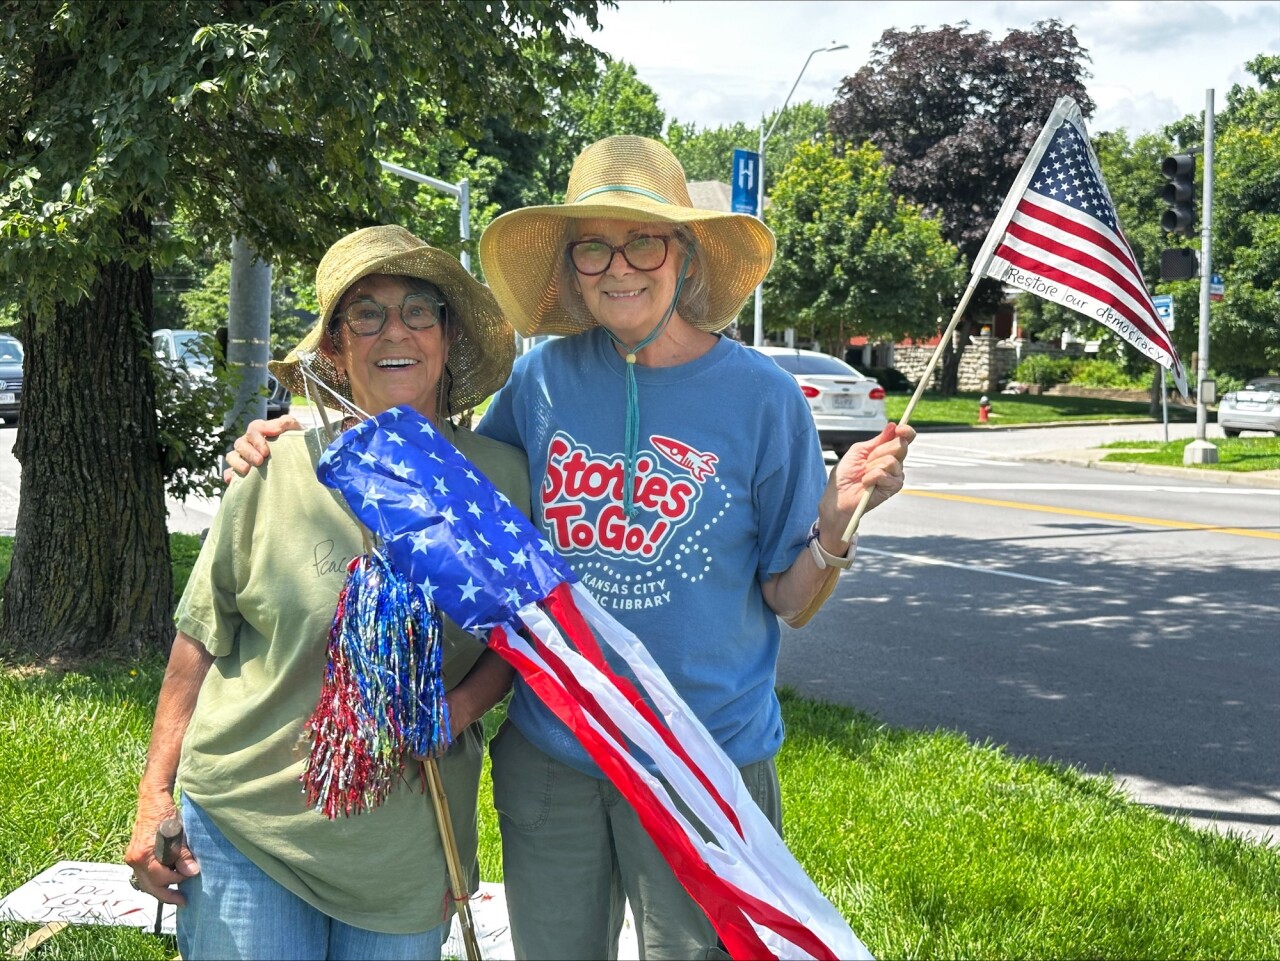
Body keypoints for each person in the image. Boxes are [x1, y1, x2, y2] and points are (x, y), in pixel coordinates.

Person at [227, 136, 914, 961]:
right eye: (594, 245)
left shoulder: (763, 398)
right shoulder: (542, 380)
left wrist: (834, 526)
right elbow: (450, 477)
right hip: (554, 752)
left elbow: (789, 599)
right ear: (572, 266)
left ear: (684, 253)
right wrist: (302, 430)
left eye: (644, 241)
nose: (619, 266)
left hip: (700, 758)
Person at [125, 225, 529, 961]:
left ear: (447, 336)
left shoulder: (497, 481)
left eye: (418, 309)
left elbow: (519, 634)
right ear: (337, 348)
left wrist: (455, 711)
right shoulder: (276, 464)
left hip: (404, 843)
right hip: (247, 831)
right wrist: (155, 795)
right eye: (365, 313)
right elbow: (200, 636)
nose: (394, 330)